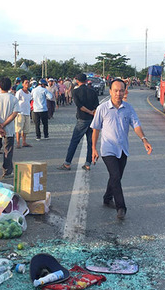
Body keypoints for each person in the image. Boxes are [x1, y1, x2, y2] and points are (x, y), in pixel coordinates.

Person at [91, 79, 152, 220]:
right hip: (108, 149)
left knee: (115, 176)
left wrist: (144, 139)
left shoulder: (129, 108)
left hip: (123, 149)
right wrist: (94, 149)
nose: (118, 93)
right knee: (116, 176)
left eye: (121, 90)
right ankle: (121, 207)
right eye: (116, 90)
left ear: (125, 91)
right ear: (110, 91)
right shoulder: (102, 109)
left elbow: (136, 125)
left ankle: (107, 198)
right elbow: (96, 129)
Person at [58, 73, 99, 171]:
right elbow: (97, 106)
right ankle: (88, 163)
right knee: (90, 142)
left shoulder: (75, 92)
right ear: (86, 81)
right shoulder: (93, 92)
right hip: (92, 119)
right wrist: (93, 113)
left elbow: (79, 106)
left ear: (77, 81)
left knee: (74, 142)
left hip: (82, 119)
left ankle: (67, 163)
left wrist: (88, 112)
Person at [0, 77, 20, 178]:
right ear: (10, 86)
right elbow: (14, 114)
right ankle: (7, 171)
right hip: (9, 129)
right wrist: (4, 125)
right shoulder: (13, 98)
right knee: (8, 150)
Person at [15, 78, 32, 149]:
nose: (27, 84)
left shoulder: (29, 93)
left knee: (26, 129)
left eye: (28, 83)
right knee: (18, 128)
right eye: (26, 83)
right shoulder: (20, 92)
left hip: (27, 112)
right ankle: (18, 142)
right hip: (20, 112)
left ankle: (24, 142)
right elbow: (16, 101)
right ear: (23, 84)